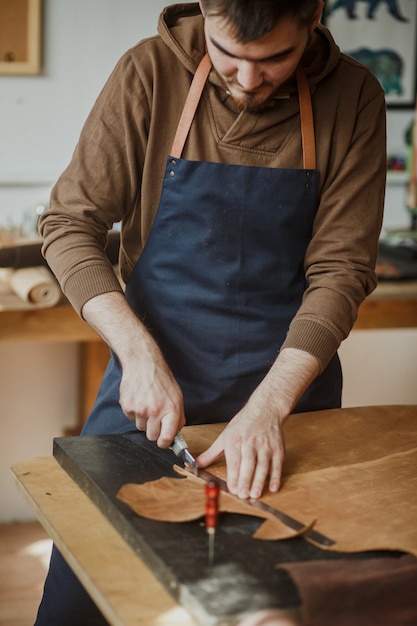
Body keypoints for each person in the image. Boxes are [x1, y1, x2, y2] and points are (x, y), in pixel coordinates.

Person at [35, 1, 386, 623]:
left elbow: (341, 271)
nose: (249, 82)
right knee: (84, 597)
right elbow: (69, 224)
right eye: (230, 57)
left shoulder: (353, 94)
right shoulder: (148, 73)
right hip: (145, 393)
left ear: (314, 16)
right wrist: (137, 355)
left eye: (275, 58)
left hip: (288, 403)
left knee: (273, 602)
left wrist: (270, 406)